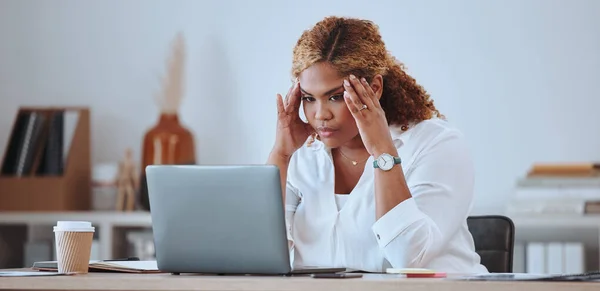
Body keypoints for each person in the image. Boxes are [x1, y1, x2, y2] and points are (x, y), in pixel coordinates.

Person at [267, 16, 488, 274]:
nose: (320, 114)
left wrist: (383, 150)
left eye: (335, 97)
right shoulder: (303, 154)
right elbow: (257, 253)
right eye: (309, 98)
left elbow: (407, 256)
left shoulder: (435, 144)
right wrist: (281, 155)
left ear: (374, 88)